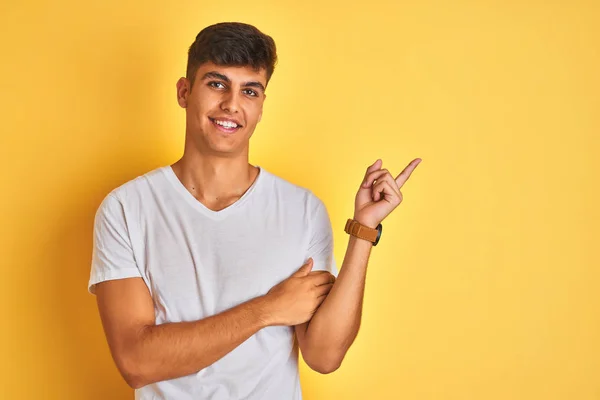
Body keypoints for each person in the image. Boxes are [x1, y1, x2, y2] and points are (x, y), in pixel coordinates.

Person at [88, 21, 421, 400]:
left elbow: (324, 355)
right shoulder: (126, 209)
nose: (232, 104)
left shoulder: (301, 209)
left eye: (249, 90)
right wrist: (268, 309)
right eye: (217, 84)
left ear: (262, 106)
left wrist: (363, 230)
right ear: (184, 92)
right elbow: (136, 363)